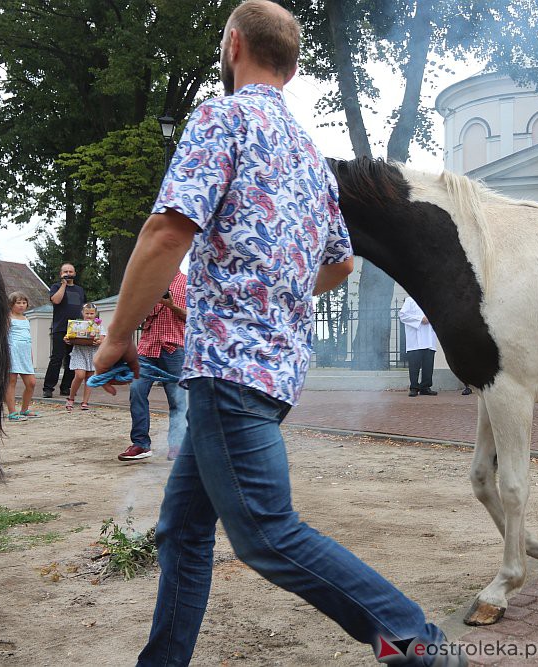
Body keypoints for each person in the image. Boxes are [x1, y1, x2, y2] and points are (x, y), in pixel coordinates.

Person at [93, 3, 461, 665]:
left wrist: (117, 333)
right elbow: (341, 262)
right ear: (291, 66)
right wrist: (282, 286)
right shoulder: (310, 156)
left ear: (234, 44)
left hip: (226, 369)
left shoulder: (222, 118)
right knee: (183, 530)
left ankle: (417, 642)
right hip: (274, 371)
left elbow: (166, 232)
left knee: (266, 533)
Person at [118, 270, 189, 462]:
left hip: (175, 348)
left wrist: (172, 306)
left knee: (177, 400)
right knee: (137, 391)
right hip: (147, 348)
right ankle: (141, 444)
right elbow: (138, 314)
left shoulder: (188, 282)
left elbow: (195, 318)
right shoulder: (150, 281)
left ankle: (177, 445)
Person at [42, 263, 86, 398]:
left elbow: (84, 308)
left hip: (76, 329)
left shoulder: (79, 290)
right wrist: (63, 285)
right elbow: (56, 300)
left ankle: (66, 387)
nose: (68, 273)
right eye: (65, 271)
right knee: (56, 358)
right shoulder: (56, 287)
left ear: (74, 273)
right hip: (60, 328)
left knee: (71, 359)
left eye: (70, 271)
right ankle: (48, 388)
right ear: (61, 274)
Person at [5, 291, 40, 421]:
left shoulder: (26, 318)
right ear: (11, 304)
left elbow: (28, 338)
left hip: (25, 353)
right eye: (18, 303)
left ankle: (24, 410)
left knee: (31, 383)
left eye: (24, 302)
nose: (21, 305)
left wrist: (30, 354)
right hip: (12, 351)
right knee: (11, 381)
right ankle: (12, 412)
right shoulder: (7, 318)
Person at [65, 303, 103, 411]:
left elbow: (103, 339)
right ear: (82, 313)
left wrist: (99, 341)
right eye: (87, 313)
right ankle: (71, 398)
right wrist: (67, 339)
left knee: (89, 378)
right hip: (79, 352)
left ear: (95, 314)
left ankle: (85, 402)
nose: (89, 316)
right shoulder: (77, 324)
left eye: (91, 313)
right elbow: (69, 336)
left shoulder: (99, 326)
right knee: (80, 375)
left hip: (92, 353)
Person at [399, 296, 437, 397]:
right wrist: (420, 319)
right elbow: (402, 315)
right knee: (414, 366)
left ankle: (425, 387)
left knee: (428, 365)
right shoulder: (410, 300)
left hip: (429, 338)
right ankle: (414, 388)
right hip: (415, 340)